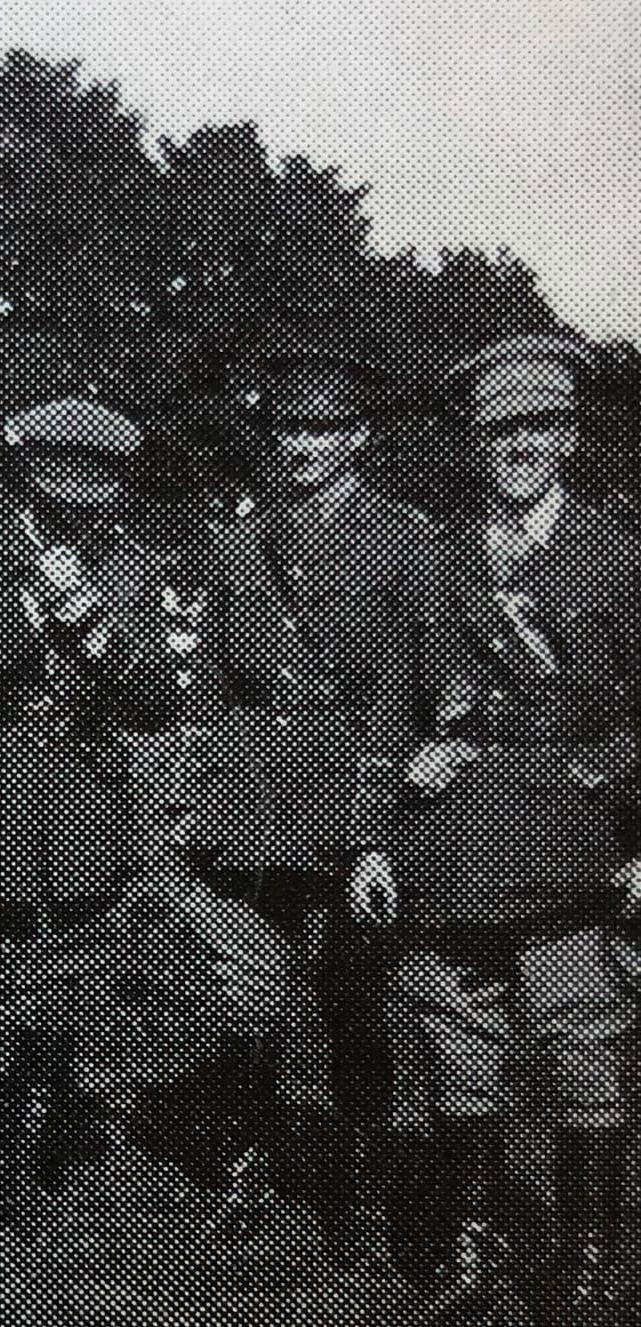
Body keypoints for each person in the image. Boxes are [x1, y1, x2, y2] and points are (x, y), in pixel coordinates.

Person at [0, 377, 285, 1233]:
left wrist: (87, 618)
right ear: (28, 478)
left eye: (90, 492)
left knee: (60, 964)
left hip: (81, 792)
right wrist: (24, 615)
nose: (72, 510)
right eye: (55, 490)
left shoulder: (129, 563)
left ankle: (36, 1130)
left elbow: (154, 700)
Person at [365, 334, 641, 1327]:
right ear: (471, 446)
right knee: (457, 1043)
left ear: (568, 438)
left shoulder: (616, 555)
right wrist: (373, 830)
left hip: (574, 844)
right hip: (450, 839)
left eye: (538, 427)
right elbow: (391, 707)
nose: (517, 447)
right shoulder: (431, 562)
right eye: (497, 431)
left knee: (581, 1048)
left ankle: (583, 1271)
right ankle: (471, 1250)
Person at [183, 344, 468, 1262]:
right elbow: (214, 689)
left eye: (322, 430)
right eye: (287, 429)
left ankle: (365, 1184)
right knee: (256, 996)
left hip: (359, 806)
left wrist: (407, 789)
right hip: (258, 805)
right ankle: (259, 1166)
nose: (301, 446)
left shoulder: (406, 538)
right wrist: (201, 794)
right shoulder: (241, 539)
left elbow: (438, 683)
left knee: (356, 1000)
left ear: (358, 439)